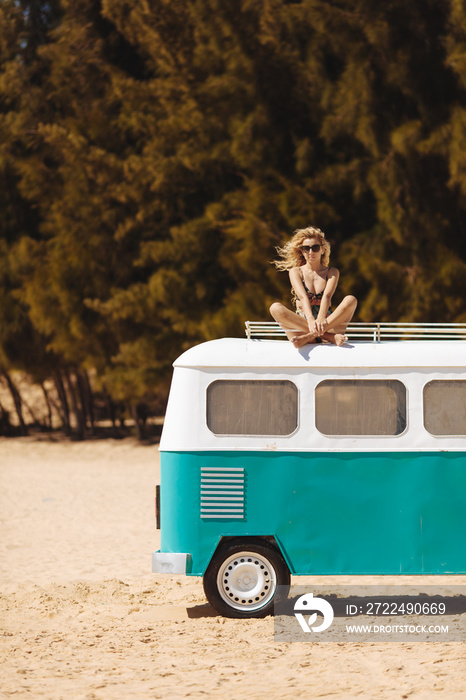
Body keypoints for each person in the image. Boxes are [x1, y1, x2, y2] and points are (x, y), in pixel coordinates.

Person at [270, 226, 357, 348]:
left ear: (322, 250)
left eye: (315, 248)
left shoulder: (332, 272)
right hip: (302, 327)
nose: (311, 252)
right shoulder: (296, 272)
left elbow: (327, 296)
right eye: (306, 248)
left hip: (326, 324)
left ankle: (311, 337)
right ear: (302, 251)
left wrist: (321, 318)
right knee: (275, 308)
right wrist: (311, 320)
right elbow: (302, 296)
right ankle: (328, 337)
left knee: (351, 300)